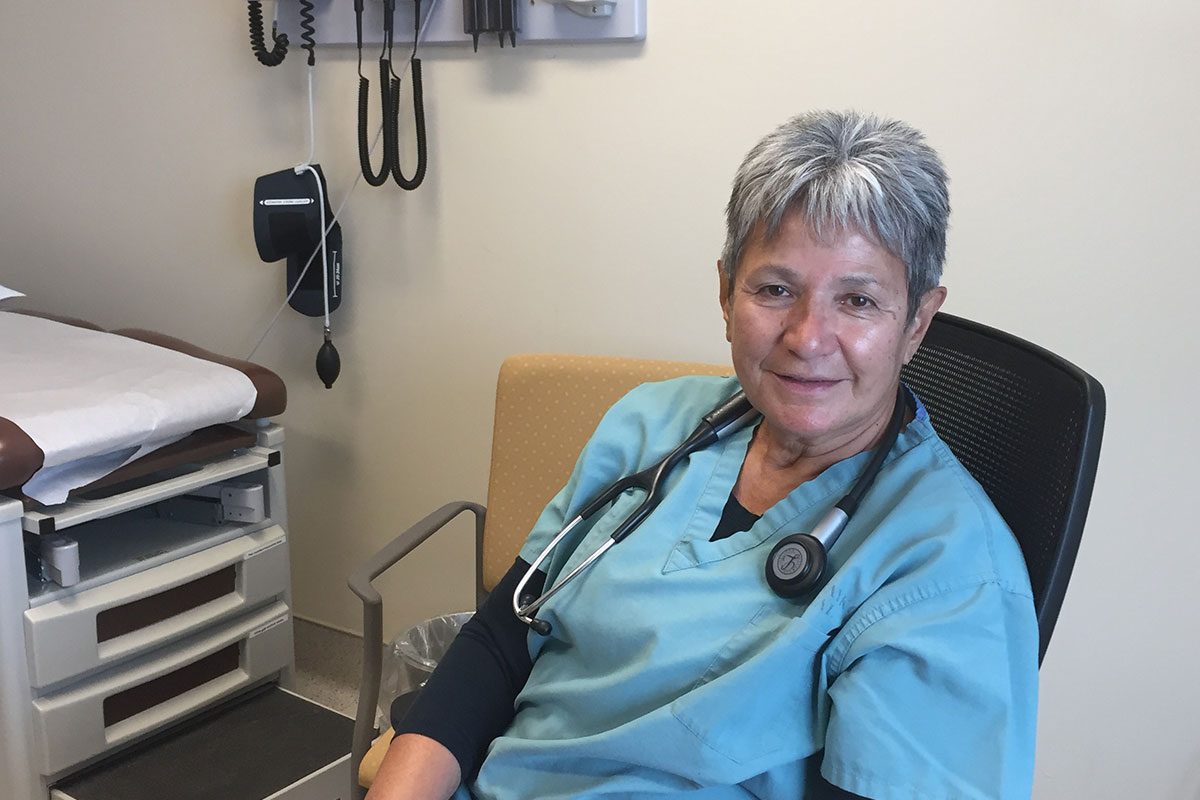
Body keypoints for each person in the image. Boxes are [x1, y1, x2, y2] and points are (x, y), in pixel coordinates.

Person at [367, 110, 1038, 800]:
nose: (808, 337)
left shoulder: (948, 573)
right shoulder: (651, 424)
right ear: (725, 293)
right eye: (775, 290)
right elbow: (502, 641)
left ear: (917, 322)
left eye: (859, 300)